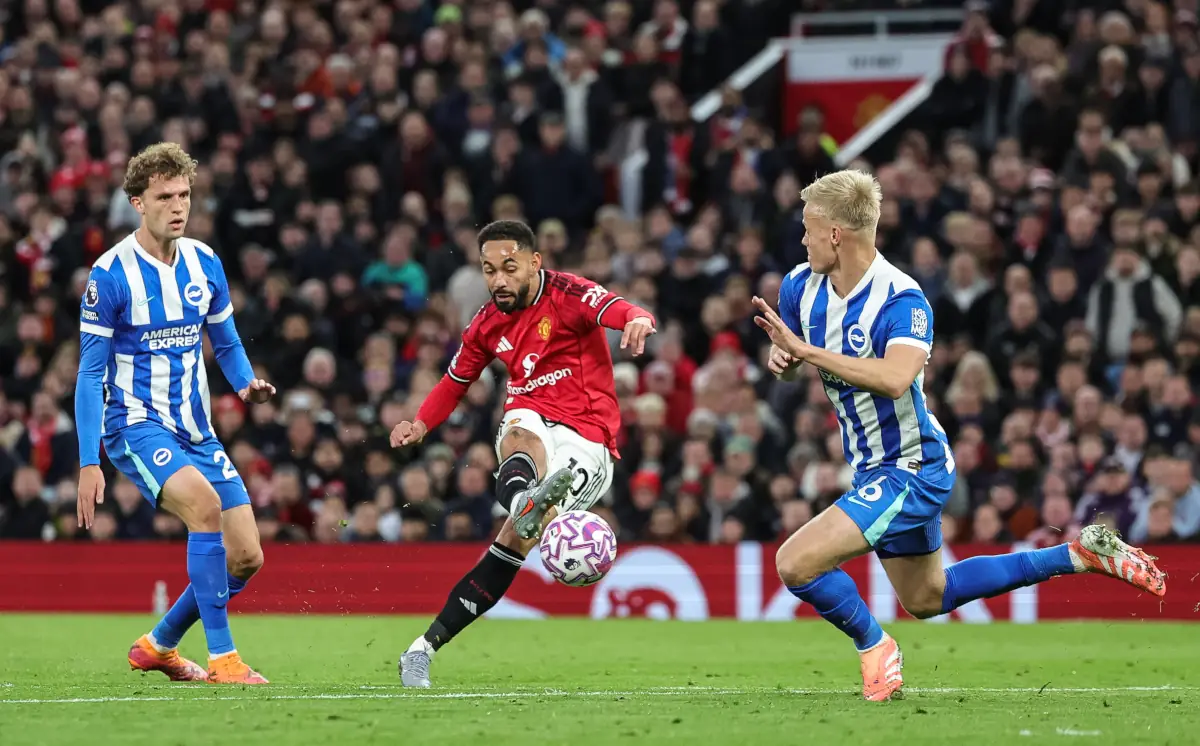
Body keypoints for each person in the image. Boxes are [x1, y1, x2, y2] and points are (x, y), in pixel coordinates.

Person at [752, 169, 1167, 702]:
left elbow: (896, 377)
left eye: (809, 227)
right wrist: (784, 358)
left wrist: (807, 352)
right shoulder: (798, 287)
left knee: (795, 561)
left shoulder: (901, 299)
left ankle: (875, 648)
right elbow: (789, 363)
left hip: (911, 466)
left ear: (836, 233)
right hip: (873, 465)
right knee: (927, 596)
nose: (802, 239)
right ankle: (1080, 556)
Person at [390, 219, 656, 687]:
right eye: (489, 269)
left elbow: (618, 309)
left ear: (535, 263)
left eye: (509, 268)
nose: (498, 280)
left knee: (511, 544)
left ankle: (425, 645)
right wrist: (421, 423)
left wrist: (638, 319)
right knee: (520, 432)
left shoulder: (569, 293)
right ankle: (524, 504)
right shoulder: (487, 322)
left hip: (589, 438)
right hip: (532, 416)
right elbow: (456, 381)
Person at [74, 143, 274, 685]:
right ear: (138, 202)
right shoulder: (111, 274)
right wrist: (88, 460)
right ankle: (223, 659)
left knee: (247, 556)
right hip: (134, 425)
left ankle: (158, 644)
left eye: (184, 194)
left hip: (196, 429)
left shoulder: (204, 261)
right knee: (205, 509)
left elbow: (226, 343)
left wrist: (246, 384)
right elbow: (90, 374)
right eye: (164, 196)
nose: (177, 205)